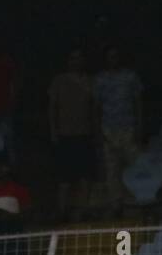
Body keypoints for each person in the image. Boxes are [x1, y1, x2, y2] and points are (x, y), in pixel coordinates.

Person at [48, 49, 100, 214]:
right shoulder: (59, 81)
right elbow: (52, 108)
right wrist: (53, 131)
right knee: (64, 178)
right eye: (72, 58)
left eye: (79, 58)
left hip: (85, 134)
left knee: (85, 176)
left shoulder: (90, 81)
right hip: (65, 135)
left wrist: (95, 131)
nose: (76, 61)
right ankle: (62, 212)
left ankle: (83, 210)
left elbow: (95, 108)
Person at [94, 45, 143, 202]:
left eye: (115, 56)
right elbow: (96, 107)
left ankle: (136, 199)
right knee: (112, 169)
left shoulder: (130, 76)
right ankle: (117, 202)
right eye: (110, 56)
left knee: (133, 166)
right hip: (108, 129)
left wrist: (139, 127)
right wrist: (99, 132)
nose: (113, 59)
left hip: (128, 127)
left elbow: (138, 103)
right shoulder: (100, 79)